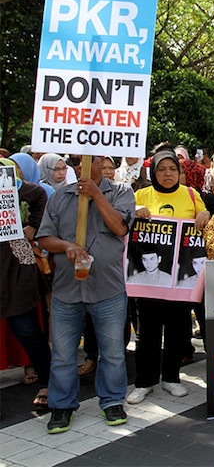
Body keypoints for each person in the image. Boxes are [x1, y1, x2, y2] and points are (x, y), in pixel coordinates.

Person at [36, 154, 136, 433]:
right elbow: (44, 238)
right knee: (64, 354)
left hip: (108, 289)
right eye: (79, 161)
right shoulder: (59, 197)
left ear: (102, 162)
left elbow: (119, 227)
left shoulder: (120, 192)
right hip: (67, 291)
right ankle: (62, 406)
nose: (83, 165)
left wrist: (96, 195)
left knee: (113, 352)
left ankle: (113, 401)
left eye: (91, 160)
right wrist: (65, 246)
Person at [127, 149, 210, 405]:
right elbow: (124, 224)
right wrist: (134, 210)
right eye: (162, 169)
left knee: (177, 328)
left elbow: (205, 224)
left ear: (179, 172)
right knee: (147, 331)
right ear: (153, 172)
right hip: (148, 280)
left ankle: (171, 377)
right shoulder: (140, 194)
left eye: (172, 169)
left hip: (178, 282)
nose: (167, 174)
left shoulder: (191, 195)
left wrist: (205, 215)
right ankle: (144, 381)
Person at [0, 158, 51, 414]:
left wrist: (32, 226)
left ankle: (48, 382)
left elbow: (38, 194)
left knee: (27, 329)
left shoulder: (2, 175)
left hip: (14, 261)